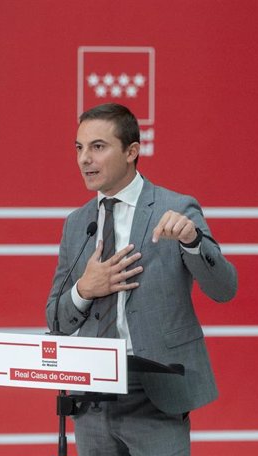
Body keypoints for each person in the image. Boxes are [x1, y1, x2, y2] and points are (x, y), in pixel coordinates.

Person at [46, 103, 237, 455]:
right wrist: (85, 290)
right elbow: (55, 320)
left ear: (132, 151)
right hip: (92, 398)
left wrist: (192, 241)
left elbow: (224, 289)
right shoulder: (77, 224)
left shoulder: (176, 208)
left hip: (156, 393)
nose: (84, 159)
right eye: (79, 148)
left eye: (98, 147)